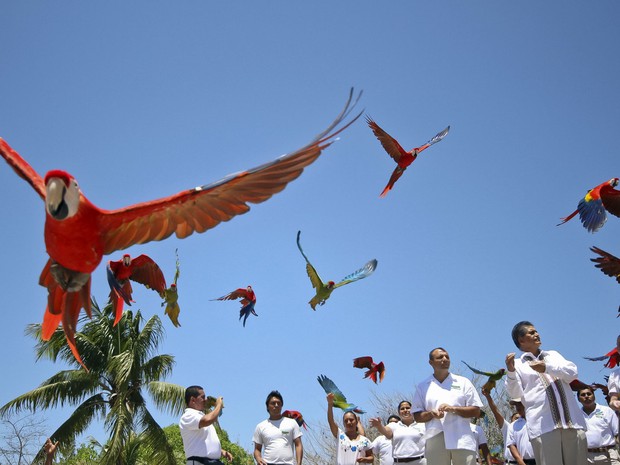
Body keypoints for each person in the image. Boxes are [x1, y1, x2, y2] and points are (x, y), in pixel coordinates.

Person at [505, 321, 587, 465]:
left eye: (536, 331)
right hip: (544, 427)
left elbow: (572, 373)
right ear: (521, 340)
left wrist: (547, 367)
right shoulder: (517, 365)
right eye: (531, 332)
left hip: (572, 423)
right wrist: (511, 371)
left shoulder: (553, 355)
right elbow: (515, 393)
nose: (537, 334)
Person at [412, 347, 483, 465]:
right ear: (431, 362)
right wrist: (431, 414)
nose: (445, 359)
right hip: (435, 438)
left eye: (447, 357)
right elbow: (417, 416)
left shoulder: (463, 382)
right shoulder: (423, 386)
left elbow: (476, 411)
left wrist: (453, 409)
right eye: (440, 357)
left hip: (462, 437)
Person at [179, 385, 233, 465]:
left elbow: (202, 442)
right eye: (202, 397)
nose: (205, 400)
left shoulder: (200, 416)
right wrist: (218, 405)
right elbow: (208, 419)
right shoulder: (188, 415)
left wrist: (221, 451)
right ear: (193, 400)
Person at [253, 390, 303, 465]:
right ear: (267, 406)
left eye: (279, 403)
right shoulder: (260, 426)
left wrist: (299, 463)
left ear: (282, 405)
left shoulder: (292, 423)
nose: (276, 405)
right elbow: (257, 449)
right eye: (273, 403)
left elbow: (298, 444)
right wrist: (259, 459)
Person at [577, 385, 620, 465]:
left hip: (609, 456)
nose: (586, 396)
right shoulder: (576, 416)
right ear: (579, 399)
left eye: (589, 394)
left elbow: (617, 434)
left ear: (594, 396)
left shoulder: (607, 411)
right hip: (587, 458)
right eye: (583, 395)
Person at [326, 392, 373, 465]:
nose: (348, 422)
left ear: (356, 421)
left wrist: (365, 459)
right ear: (343, 424)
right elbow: (331, 421)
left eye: (351, 420)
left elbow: (371, 458)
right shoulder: (340, 436)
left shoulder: (365, 440)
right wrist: (330, 404)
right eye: (346, 421)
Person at [481, 387, 517, 464]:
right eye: (516, 418)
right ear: (511, 420)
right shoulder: (508, 427)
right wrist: (488, 396)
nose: (518, 420)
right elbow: (495, 411)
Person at [506, 400, 535, 465]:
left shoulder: (537, 419)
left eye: (520, 404)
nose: (518, 407)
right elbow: (511, 445)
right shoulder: (512, 426)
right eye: (516, 405)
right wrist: (520, 461)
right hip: (525, 462)